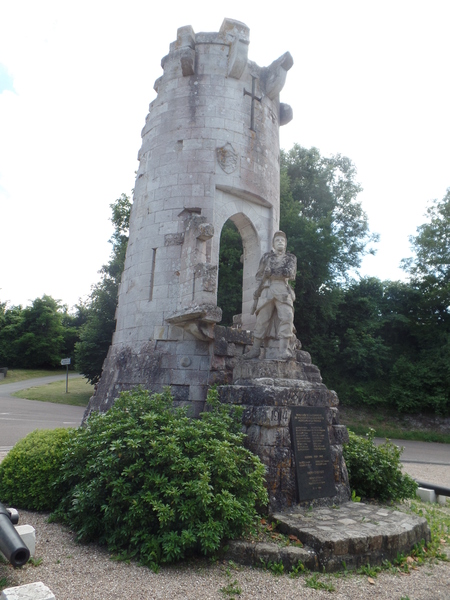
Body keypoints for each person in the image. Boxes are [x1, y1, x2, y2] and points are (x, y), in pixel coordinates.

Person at [244, 231, 296, 360]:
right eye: (277, 240)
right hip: (267, 290)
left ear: (285, 244)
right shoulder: (267, 257)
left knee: (287, 317)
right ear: (273, 243)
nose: (280, 242)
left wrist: (271, 273)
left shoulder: (291, 258)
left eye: (282, 241)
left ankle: (284, 350)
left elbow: (289, 273)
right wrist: (258, 288)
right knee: (262, 320)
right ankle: (255, 349)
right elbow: (258, 275)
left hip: (283, 290)